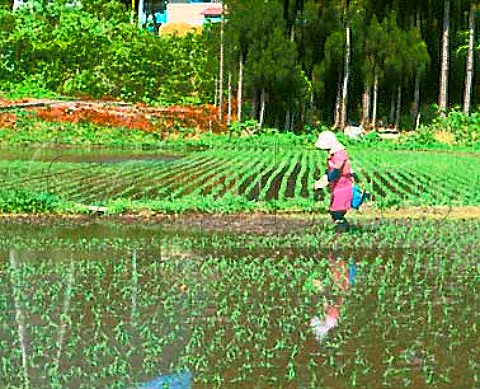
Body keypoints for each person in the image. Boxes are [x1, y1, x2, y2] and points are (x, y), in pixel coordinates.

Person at [313, 131, 354, 232]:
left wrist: (324, 182)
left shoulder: (339, 154)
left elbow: (335, 171)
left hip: (343, 184)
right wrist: (322, 181)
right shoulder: (333, 154)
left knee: (337, 210)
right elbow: (330, 171)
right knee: (334, 210)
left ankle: (342, 230)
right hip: (337, 184)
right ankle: (343, 228)